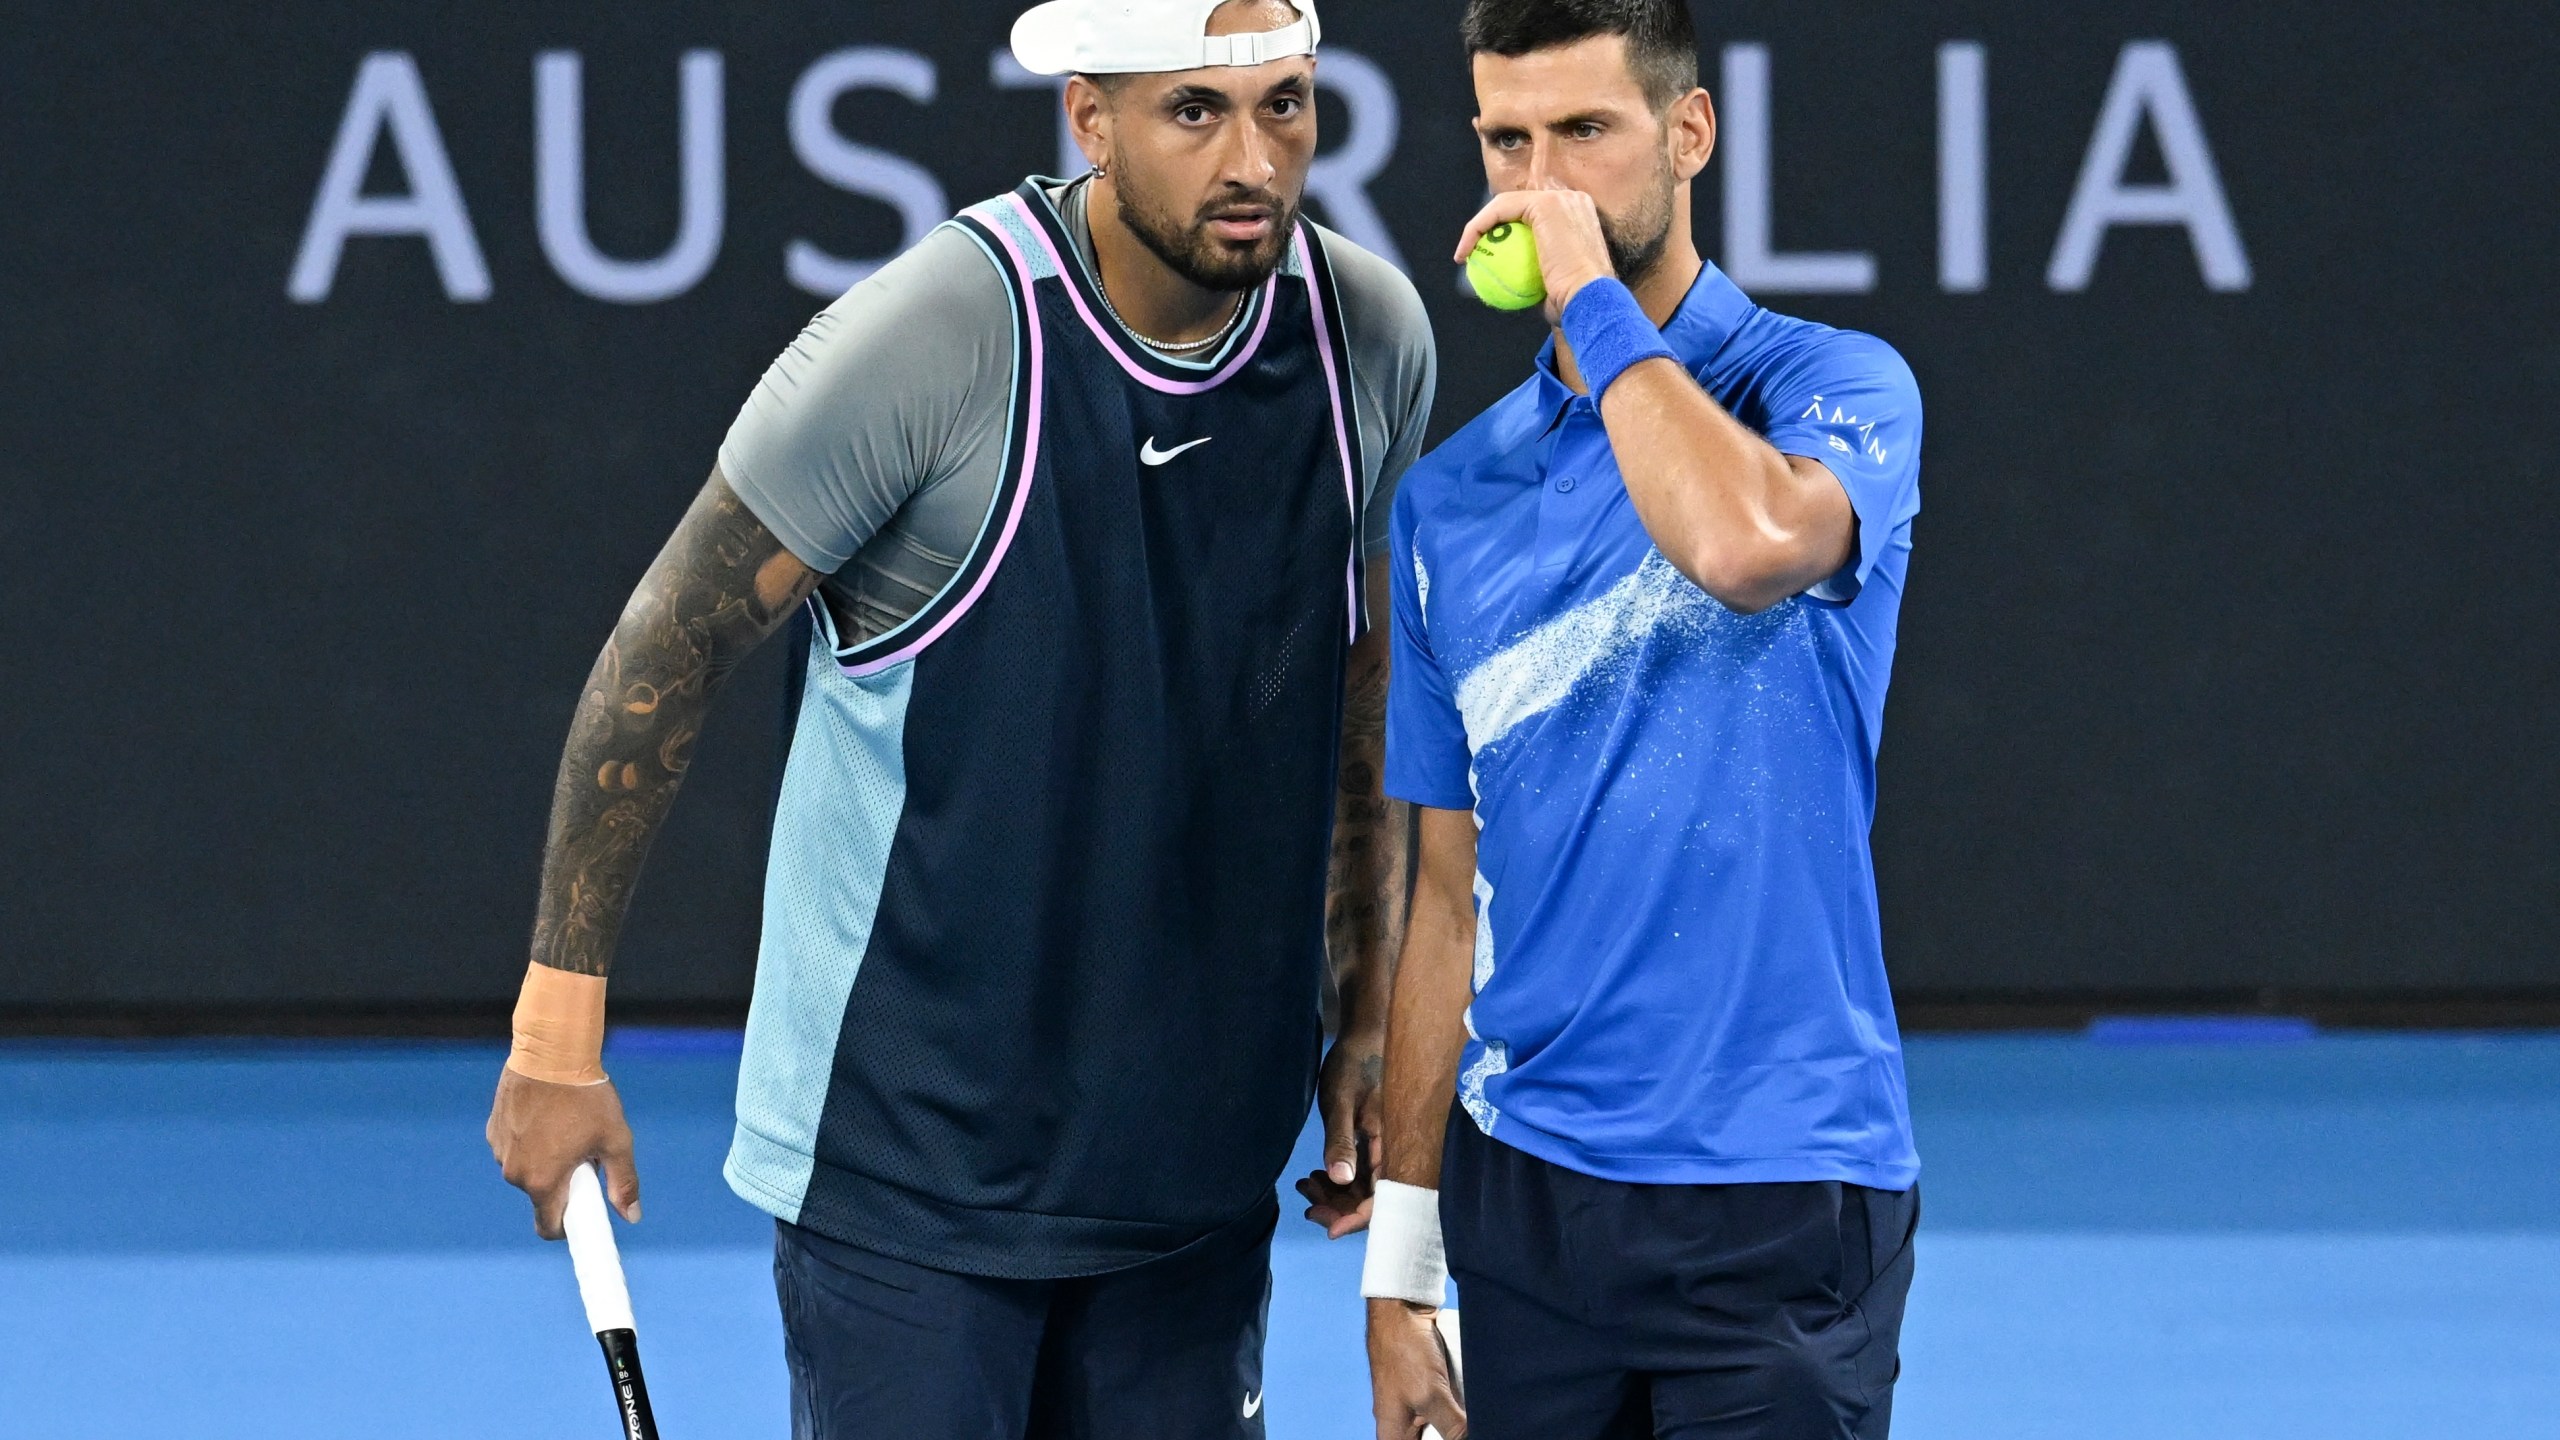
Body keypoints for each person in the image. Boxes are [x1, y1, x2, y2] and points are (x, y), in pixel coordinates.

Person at [482, 0, 1439, 1434]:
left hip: (1193, 1168)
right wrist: (557, 1041)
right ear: (1090, 118)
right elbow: (661, 658)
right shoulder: (933, 341)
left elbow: (1349, 696)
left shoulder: (1369, 339)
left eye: (1288, 106)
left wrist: (1362, 1011)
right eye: (1196, 112)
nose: (1255, 160)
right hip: (910, 1168)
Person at [1350, 2, 1926, 1436]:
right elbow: (1440, 897)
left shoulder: (1831, 389)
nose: (1539, 191)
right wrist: (1404, 1271)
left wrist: (1590, 300)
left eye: (1585, 136)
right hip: (1525, 1205)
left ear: (1690, 135)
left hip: (1782, 1193)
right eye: (1507, 143)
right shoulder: (1447, 503)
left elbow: (1739, 547)